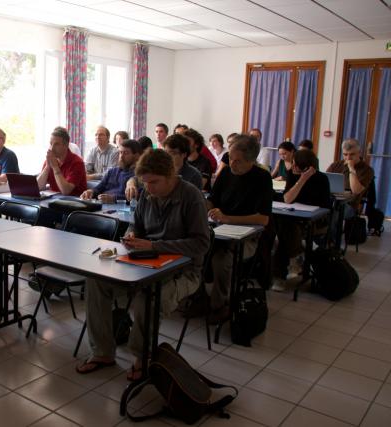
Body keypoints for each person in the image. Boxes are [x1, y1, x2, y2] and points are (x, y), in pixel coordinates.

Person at [76, 149, 209, 381]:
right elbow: (135, 226)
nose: (149, 188)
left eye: (154, 182)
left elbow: (200, 244)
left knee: (147, 297)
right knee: (96, 281)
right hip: (144, 263)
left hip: (183, 272)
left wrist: (154, 246)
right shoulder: (147, 194)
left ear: (170, 175)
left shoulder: (191, 196)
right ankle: (103, 352)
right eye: (145, 182)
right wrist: (131, 235)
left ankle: (142, 356)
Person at [206, 134, 272, 323]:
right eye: (230, 159)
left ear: (252, 161)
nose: (232, 164)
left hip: (247, 237)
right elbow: (212, 199)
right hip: (218, 229)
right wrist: (208, 209)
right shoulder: (226, 173)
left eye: (238, 161)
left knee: (222, 260)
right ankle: (198, 296)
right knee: (197, 251)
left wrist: (228, 218)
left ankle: (220, 304)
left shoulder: (262, 178)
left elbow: (263, 219)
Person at [272, 150, 330, 291]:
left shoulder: (322, 179)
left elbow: (324, 207)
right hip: (292, 217)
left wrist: (305, 178)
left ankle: (280, 276)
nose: (293, 168)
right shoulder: (292, 175)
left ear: (308, 167)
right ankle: (297, 252)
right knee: (279, 225)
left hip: (313, 220)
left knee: (286, 235)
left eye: (296, 165)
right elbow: (288, 199)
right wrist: (301, 180)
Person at [326, 138, 374, 243]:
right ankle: (321, 240)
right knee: (318, 212)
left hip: (350, 205)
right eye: (345, 154)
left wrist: (352, 169)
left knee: (333, 215)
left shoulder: (367, 170)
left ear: (359, 153)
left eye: (352, 154)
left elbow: (356, 191)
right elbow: (324, 182)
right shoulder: (336, 165)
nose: (348, 158)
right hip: (332, 199)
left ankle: (330, 245)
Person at [80, 139, 141, 203]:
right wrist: (91, 192)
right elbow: (99, 188)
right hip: (101, 206)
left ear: (136, 156)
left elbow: (137, 198)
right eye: (120, 152)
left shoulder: (139, 175)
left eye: (126, 153)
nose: (121, 157)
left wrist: (114, 199)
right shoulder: (112, 172)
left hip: (121, 210)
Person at [37, 126, 87, 196]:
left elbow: (66, 191)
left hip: (73, 203)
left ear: (66, 145)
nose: (52, 148)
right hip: (53, 202)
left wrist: (55, 167)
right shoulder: (50, 160)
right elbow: (38, 187)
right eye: (51, 144)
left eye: (56, 144)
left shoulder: (77, 162)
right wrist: (47, 167)